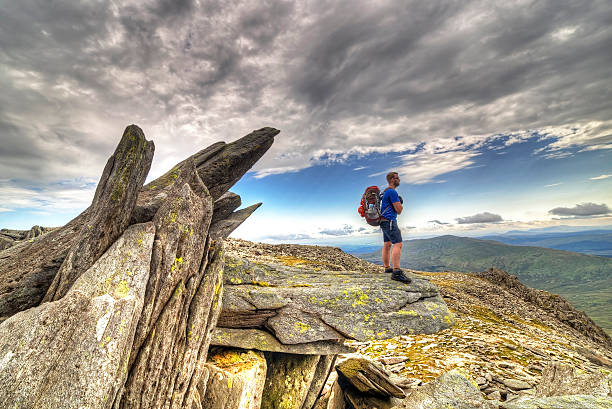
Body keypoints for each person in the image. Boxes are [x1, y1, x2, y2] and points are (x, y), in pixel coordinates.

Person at [380, 172, 411, 283]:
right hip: (390, 221)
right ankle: (396, 272)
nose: (399, 180)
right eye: (397, 178)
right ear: (392, 180)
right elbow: (399, 210)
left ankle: (387, 268)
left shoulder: (384, 192)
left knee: (387, 244)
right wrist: (400, 202)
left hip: (383, 222)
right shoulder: (392, 192)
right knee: (398, 244)